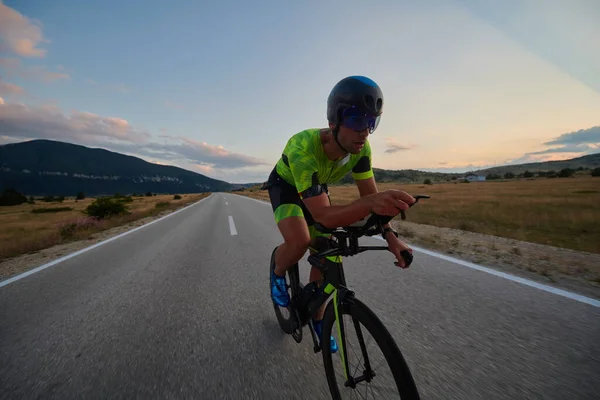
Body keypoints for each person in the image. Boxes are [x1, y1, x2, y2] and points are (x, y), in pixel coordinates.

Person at [263, 75, 416, 353]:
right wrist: (371, 204)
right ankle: (277, 271)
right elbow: (325, 216)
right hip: (285, 187)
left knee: (328, 253)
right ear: (334, 120)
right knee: (299, 241)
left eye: (373, 122)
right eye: (358, 121)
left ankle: (318, 319)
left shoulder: (361, 149)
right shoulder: (303, 148)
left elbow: (370, 196)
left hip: (315, 186)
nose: (365, 132)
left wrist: (392, 238)